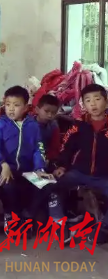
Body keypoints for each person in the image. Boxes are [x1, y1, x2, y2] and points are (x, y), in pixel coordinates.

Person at [0, 86, 63, 235]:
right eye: (8, 104)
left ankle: (28, 215)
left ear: (26, 107)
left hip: (28, 171)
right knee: (8, 185)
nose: (11, 109)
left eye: (16, 105)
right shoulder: (0, 124)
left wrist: (39, 169)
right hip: (6, 169)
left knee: (47, 184)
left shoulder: (32, 125)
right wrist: (3, 165)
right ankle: (11, 216)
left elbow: (38, 148)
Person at [54, 84, 108, 244]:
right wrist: (62, 165)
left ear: (106, 102)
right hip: (79, 173)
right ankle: (59, 223)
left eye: (97, 99)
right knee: (53, 186)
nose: (93, 104)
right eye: (88, 100)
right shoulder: (78, 125)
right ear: (83, 104)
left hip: (104, 176)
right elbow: (67, 147)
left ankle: (103, 229)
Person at [35, 94, 62, 167]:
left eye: (53, 113)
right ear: (37, 110)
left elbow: (55, 147)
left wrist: (48, 158)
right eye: (46, 111)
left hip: (47, 159)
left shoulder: (54, 126)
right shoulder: (27, 124)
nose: (50, 115)